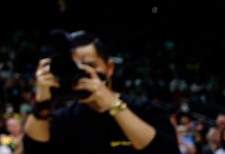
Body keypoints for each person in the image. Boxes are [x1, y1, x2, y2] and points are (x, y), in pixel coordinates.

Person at [22, 30, 177, 153]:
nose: (83, 73)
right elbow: (33, 149)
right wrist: (41, 103)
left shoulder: (146, 111)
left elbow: (165, 150)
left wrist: (112, 104)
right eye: (75, 67)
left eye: (90, 65)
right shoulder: (63, 119)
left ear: (109, 68)